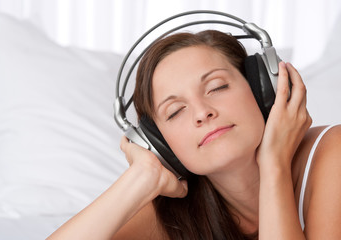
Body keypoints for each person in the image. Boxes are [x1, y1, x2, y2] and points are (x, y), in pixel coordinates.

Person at [47, 30, 341, 240]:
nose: (202, 113)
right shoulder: (178, 213)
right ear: (160, 144)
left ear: (261, 89)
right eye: (175, 111)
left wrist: (274, 162)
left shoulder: (332, 153)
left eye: (216, 87)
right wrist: (142, 177)